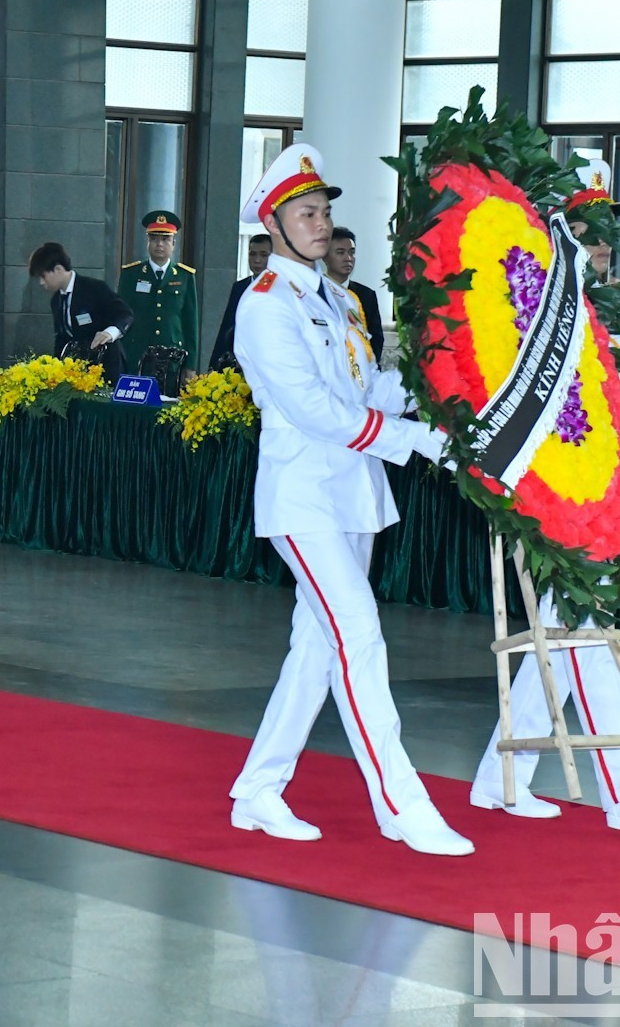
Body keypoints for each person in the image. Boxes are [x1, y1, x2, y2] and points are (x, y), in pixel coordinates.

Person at [226, 146, 471, 857]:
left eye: (326, 212)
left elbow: (363, 391)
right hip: (304, 495)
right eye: (306, 213)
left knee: (315, 647)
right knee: (358, 633)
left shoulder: (336, 299)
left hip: (352, 493)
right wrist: (417, 443)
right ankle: (402, 804)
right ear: (273, 223)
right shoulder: (264, 305)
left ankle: (258, 788)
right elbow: (312, 410)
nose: (321, 224)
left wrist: (436, 397)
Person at [469, 175, 620, 840]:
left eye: (609, 227)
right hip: (564, 498)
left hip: (615, 495)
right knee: (588, 637)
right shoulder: (542, 311)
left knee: (561, 634)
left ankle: (498, 778)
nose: (602, 242)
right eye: (587, 226)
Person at [117, 211, 199, 372]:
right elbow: (122, 314)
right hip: (137, 354)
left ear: (174, 243)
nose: (159, 244)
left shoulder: (185, 276)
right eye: (153, 239)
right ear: (147, 242)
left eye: (165, 239)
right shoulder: (131, 274)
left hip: (173, 357)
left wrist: (190, 366)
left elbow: (191, 323)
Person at [28, 242, 131, 363]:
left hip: (107, 364)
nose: (41, 282)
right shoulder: (56, 300)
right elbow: (61, 338)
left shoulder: (94, 288)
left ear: (58, 269)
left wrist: (109, 333)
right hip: (78, 369)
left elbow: (124, 314)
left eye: (43, 276)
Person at [208, 232, 273, 371]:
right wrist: (214, 365)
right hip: (239, 362)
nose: (257, 260)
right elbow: (227, 325)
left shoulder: (281, 288)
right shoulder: (240, 287)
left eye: (263, 255)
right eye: (252, 254)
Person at [323, 226, 383, 365]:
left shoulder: (367, 295)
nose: (348, 258)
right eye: (340, 252)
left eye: (352, 252)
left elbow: (376, 340)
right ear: (325, 256)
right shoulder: (316, 291)